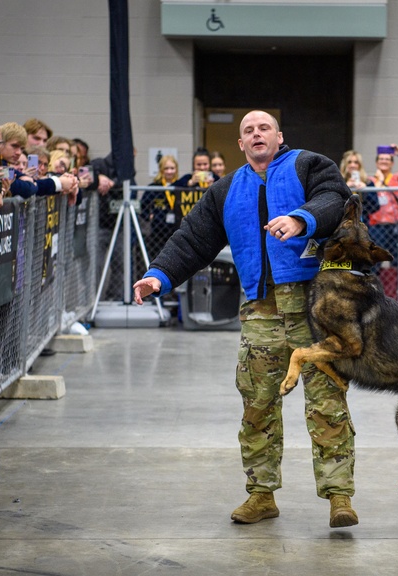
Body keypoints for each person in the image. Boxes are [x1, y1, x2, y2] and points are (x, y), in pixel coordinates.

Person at [132, 110, 359, 528]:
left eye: (264, 128)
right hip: (260, 310)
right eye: (248, 131)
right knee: (257, 405)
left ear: (279, 135)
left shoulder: (308, 165)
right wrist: (157, 276)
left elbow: (335, 200)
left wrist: (301, 219)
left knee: (327, 401)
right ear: (240, 144)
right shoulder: (226, 190)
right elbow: (193, 239)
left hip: (315, 308)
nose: (257, 134)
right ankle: (261, 495)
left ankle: (339, 497)